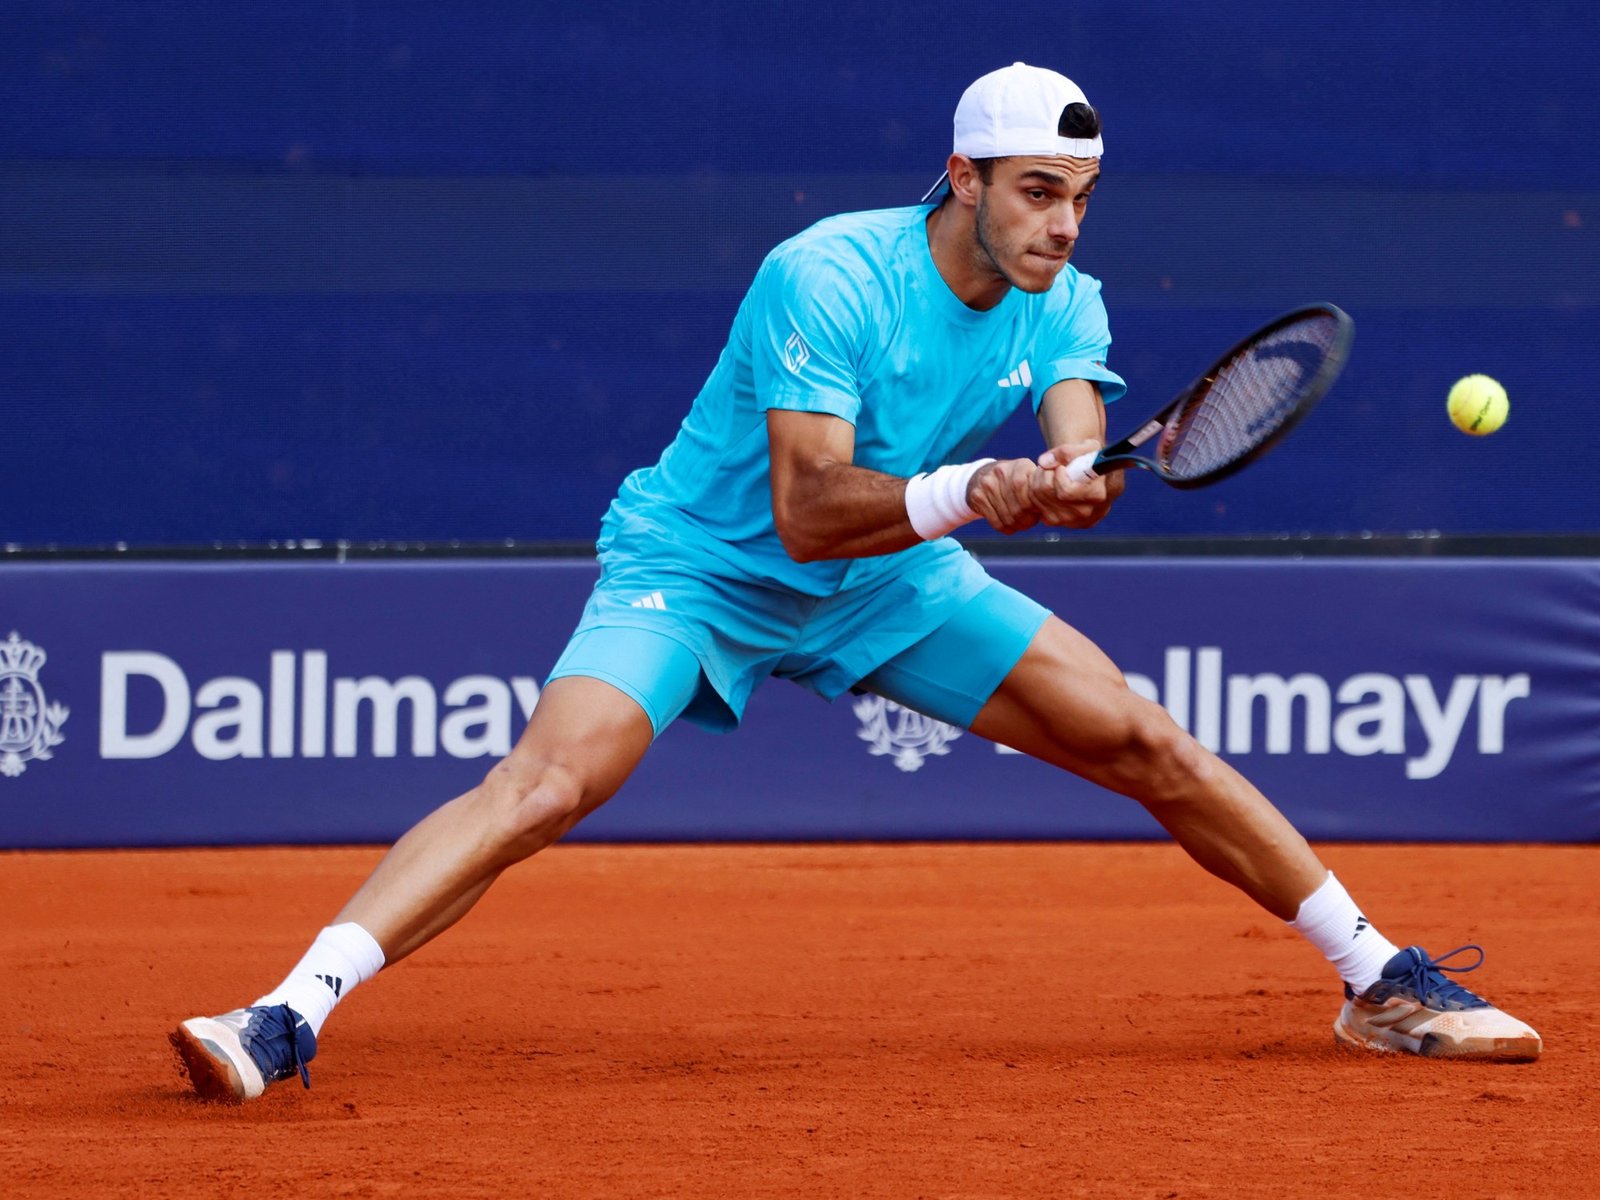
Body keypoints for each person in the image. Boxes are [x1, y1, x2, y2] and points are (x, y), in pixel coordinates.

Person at [170, 62, 1540, 1102]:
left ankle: (1379, 983)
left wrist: (1068, 480)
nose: (1063, 225)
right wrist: (971, 490)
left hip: (895, 580)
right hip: (705, 568)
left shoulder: (1070, 296)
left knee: (1143, 735)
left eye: (1081, 199)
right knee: (548, 787)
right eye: (1036, 193)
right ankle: (286, 1013)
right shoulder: (823, 276)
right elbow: (811, 510)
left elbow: (1075, 444)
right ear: (963, 177)